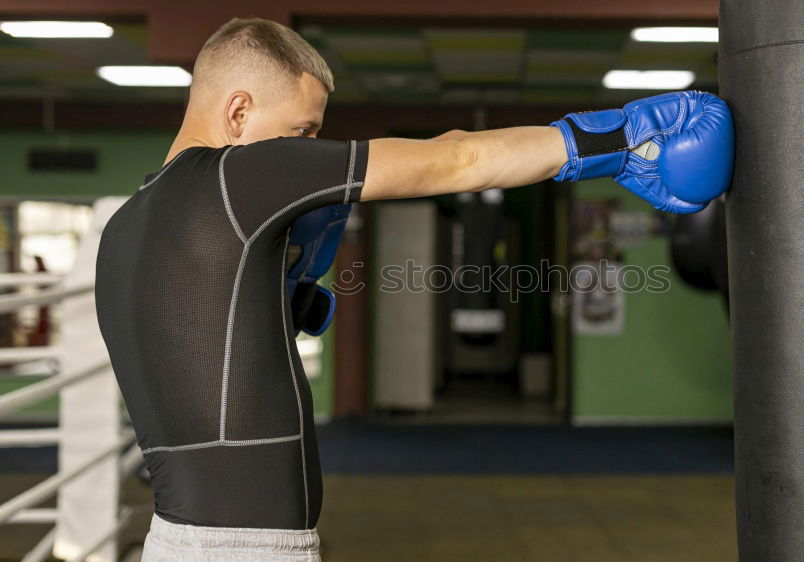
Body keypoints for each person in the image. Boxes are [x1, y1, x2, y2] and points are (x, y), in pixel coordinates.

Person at [94, 16, 734, 562]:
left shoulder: (129, 223)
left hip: (181, 537)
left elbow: (199, 359)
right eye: (302, 132)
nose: (308, 149)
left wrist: (276, 300)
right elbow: (456, 162)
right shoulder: (239, 178)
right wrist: (617, 140)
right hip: (243, 547)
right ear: (238, 112)